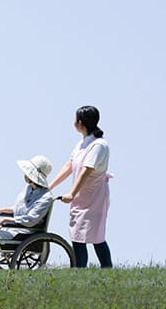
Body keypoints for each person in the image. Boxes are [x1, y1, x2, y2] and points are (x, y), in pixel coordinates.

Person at [48, 105, 113, 268]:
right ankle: (79, 270)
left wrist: (71, 193)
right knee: (77, 234)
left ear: (80, 123)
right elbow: (69, 166)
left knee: (96, 236)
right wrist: (51, 186)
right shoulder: (82, 144)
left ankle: (107, 270)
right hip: (80, 196)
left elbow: (87, 170)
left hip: (94, 196)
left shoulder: (99, 145)